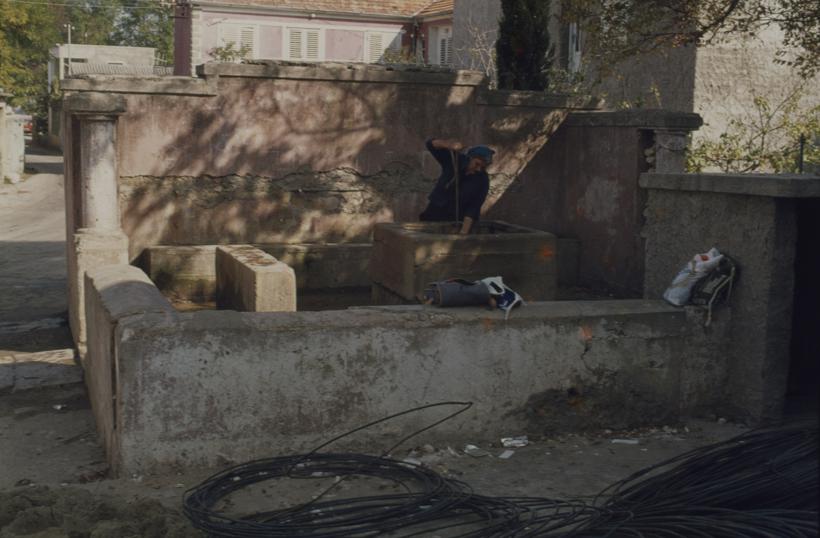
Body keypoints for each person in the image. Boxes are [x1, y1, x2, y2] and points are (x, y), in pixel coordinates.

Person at [419, 138, 495, 234]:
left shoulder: (482, 180)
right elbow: (430, 144)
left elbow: (474, 207)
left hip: (457, 221)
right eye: (477, 164)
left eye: (483, 167)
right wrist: (448, 145)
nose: (478, 169)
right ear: (470, 158)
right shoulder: (454, 161)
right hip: (434, 213)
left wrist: (463, 232)